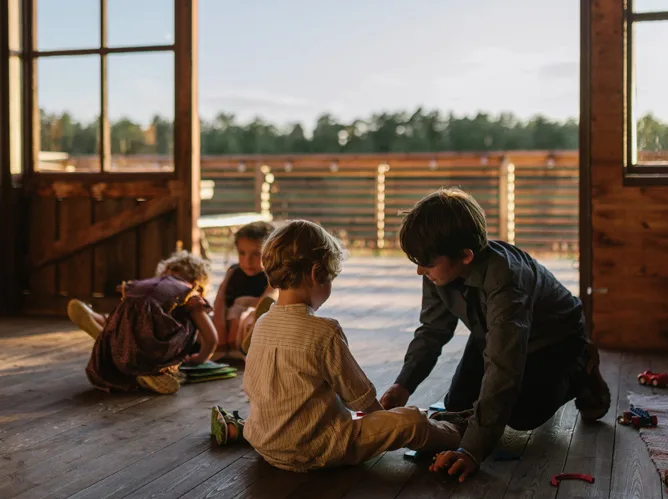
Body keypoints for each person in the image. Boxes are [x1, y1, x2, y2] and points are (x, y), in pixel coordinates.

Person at [379, 188, 610, 483]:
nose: (420, 270)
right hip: (495, 334)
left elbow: (504, 367)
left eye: (426, 262)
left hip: (556, 341)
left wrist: (472, 451)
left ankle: (581, 370)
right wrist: (404, 383)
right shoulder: (436, 269)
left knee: (521, 415)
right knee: (456, 404)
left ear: (465, 256)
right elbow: (433, 331)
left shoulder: (506, 280)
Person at [235, 219, 463, 472]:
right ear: (316, 274)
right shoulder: (324, 331)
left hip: (265, 443)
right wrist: (385, 419)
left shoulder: (263, 322)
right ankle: (461, 434)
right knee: (413, 421)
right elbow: (361, 401)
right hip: (314, 447)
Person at [67, 251, 217, 395]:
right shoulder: (189, 292)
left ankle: (104, 330)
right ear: (198, 281)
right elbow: (211, 338)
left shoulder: (142, 284)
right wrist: (199, 358)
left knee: (124, 314)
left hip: (126, 334)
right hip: (154, 347)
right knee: (188, 322)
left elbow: (131, 305)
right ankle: (159, 369)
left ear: (166, 270)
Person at [211, 220, 277, 359]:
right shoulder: (233, 272)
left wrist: (243, 311)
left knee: (250, 320)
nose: (247, 261)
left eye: (256, 254)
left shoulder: (272, 275)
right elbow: (220, 301)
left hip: (249, 323)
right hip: (226, 323)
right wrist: (219, 328)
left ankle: (241, 351)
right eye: (242, 253)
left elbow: (267, 301)